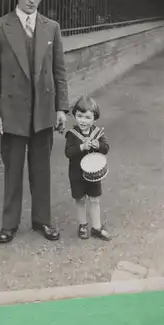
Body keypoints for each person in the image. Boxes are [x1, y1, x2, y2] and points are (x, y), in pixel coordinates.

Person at [0, 0, 69, 244]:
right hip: (13, 113)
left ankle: (42, 220)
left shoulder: (51, 27)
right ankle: (9, 223)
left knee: (41, 170)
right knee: (13, 171)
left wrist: (61, 109)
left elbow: (59, 72)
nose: (32, 0)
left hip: (43, 112)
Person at [64, 96, 111, 241]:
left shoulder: (98, 133)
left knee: (95, 199)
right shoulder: (72, 135)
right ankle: (83, 225)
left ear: (94, 119)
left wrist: (98, 145)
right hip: (76, 173)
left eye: (87, 117)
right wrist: (81, 147)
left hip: (93, 174)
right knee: (80, 199)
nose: (83, 120)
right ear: (75, 116)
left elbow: (106, 148)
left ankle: (96, 227)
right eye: (79, 116)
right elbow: (68, 152)